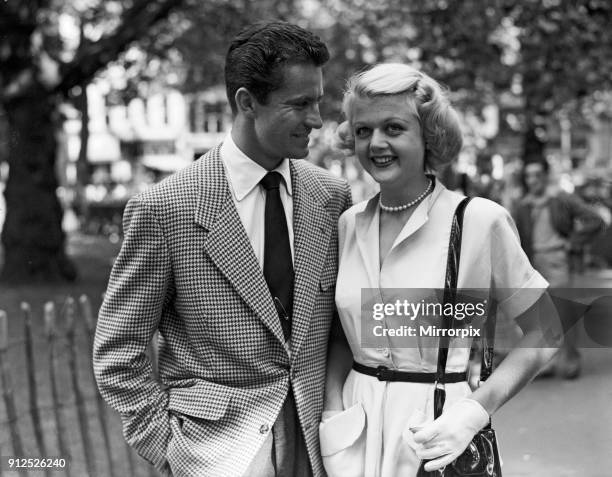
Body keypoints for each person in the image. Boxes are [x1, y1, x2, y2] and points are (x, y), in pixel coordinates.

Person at [93, 21, 351, 477]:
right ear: (247, 102)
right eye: (300, 104)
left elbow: (342, 326)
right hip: (217, 454)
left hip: (318, 447)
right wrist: (172, 450)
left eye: (318, 102)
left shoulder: (332, 197)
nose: (316, 119)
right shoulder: (164, 209)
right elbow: (118, 349)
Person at [320, 63, 560, 476]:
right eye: (363, 130)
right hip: (354, 436)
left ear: (428, 134)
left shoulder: (478, 220)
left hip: (437, 430)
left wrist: (473, 412)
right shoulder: (347, 224)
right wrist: (332, 410)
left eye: (394, 128)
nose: (376, 143)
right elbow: (344, 333)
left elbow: (547, 330)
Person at [514, 159, 604, 378]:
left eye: (537, 175)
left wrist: (573, 242)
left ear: (545, 176)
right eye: (529, 176)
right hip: (533, 265)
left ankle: (571, 360)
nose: (533, 180)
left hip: (557, 263)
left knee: (564, 314)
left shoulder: (560, 200)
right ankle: (547, 363)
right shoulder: (523, 205)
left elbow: (595, 220)